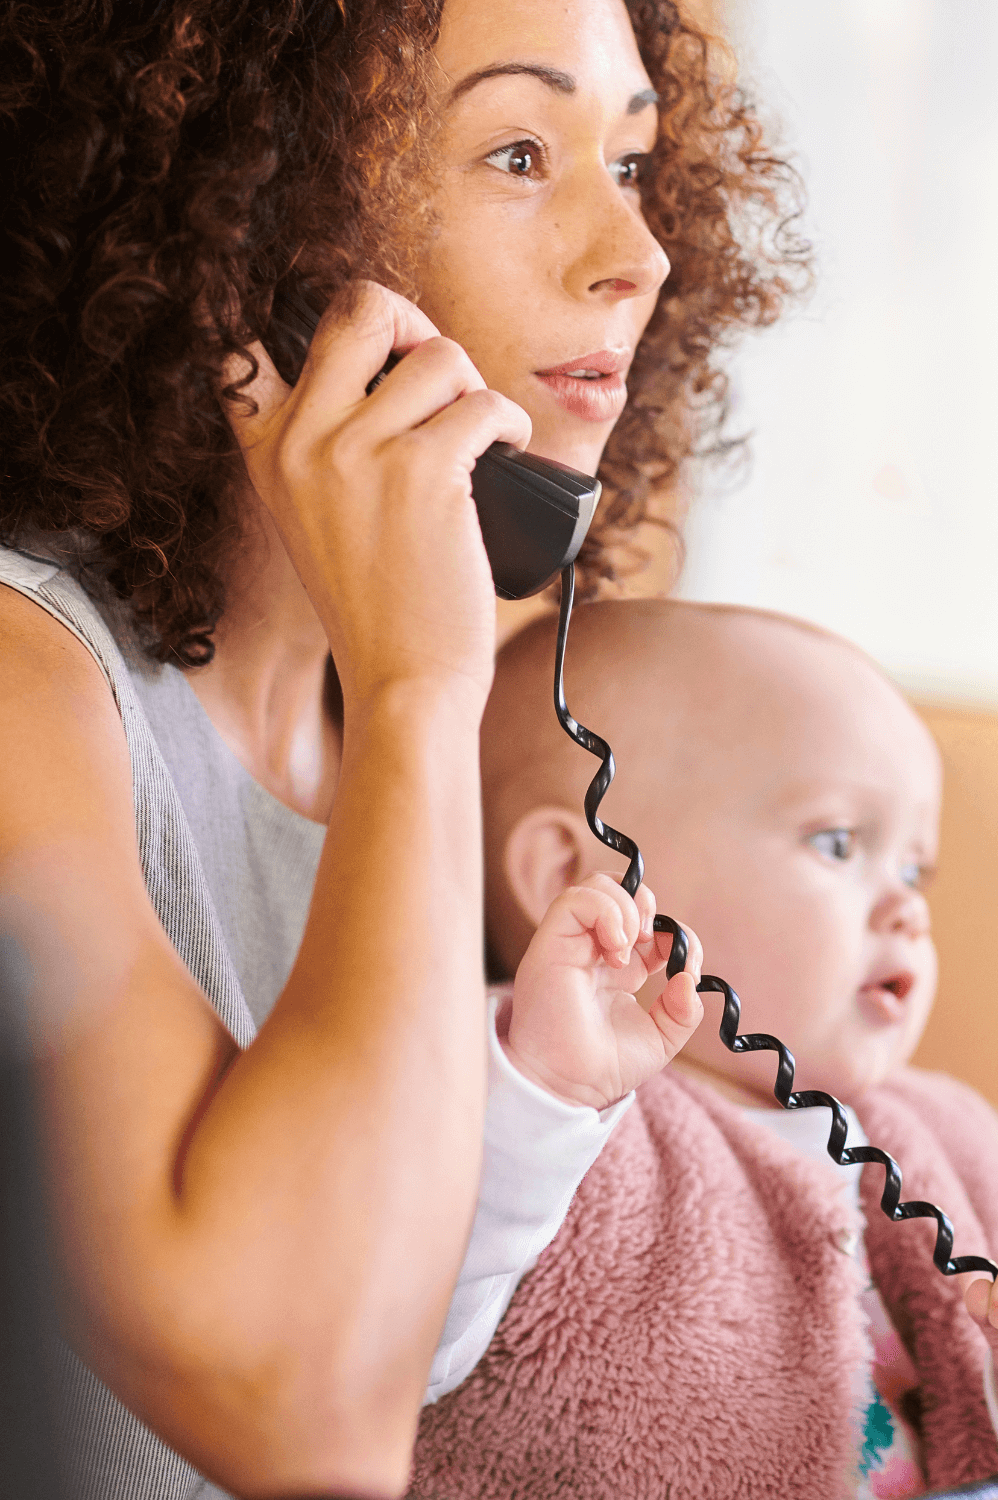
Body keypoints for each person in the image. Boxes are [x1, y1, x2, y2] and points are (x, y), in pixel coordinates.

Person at [0, 1, 803, 1495]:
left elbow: (416, 1331)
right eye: (519, 152)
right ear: (243, 235)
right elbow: (316, 1426)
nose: (640, 255)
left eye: (630, 162)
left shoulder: (381, 733)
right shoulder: (25, 689)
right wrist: (424, 691)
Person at [413, 599, 998, 1499]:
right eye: (838, 842)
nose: (909, 908)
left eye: (914, 869)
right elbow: (382, 1339)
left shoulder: (943, 1146)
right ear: (575, 877)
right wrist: (543, 1091)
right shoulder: (517, 1099)